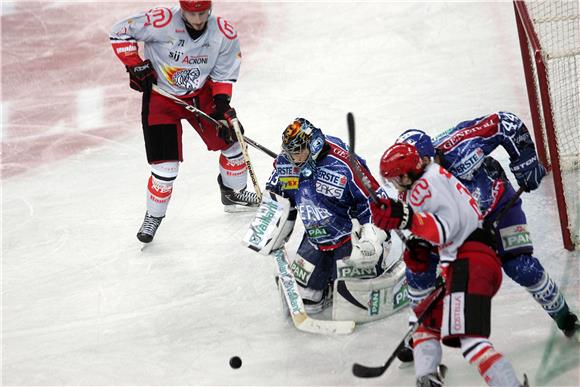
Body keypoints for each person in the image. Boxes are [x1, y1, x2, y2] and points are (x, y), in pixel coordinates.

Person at [394, 112, 578, 344]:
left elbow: (506, 123)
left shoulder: (460, 145)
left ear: (428, 159)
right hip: (458, 226)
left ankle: (566, 318)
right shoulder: (409, 190)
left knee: (522, 267)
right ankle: (421, 336)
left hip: (499, 206)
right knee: (420, 272)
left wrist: (526, 159)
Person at [370, 142, 526, 386]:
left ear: (404, 174)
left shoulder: (424, 185)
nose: (394, 185)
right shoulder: (433, 177)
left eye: (394, 180)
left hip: (470, 262)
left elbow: (444, 229)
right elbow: (439, 233)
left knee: (471, 340)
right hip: (464, 264)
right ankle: (427, 378)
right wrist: (418, 248)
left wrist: (405, 218)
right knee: (423, 321)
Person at [109, 0, 259, 243]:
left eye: (203, 13)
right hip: (161, 98)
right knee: (165, 170)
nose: (198, 20)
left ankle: (233, 193)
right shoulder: (160, 21)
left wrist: (222, 108)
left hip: (201, 95)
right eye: (192, 13)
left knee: (233, 142)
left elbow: (223, 74)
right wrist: (135, 65)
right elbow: (119, 33)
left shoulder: (223, 32)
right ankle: (153, 216)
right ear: (183, 9)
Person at [264, 118, 390, 313]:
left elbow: (373, 200)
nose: (292, 159)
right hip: (316, 238)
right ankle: (328, 278)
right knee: (306, 301)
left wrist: (371, 238)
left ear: (313, 146)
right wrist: (272, 223)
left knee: (354, 302)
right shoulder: (286, 163)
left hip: (349, 236)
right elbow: (281, 198)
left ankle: (352, 268)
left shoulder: (343, 164)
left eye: (297, 152)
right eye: (289, 152)